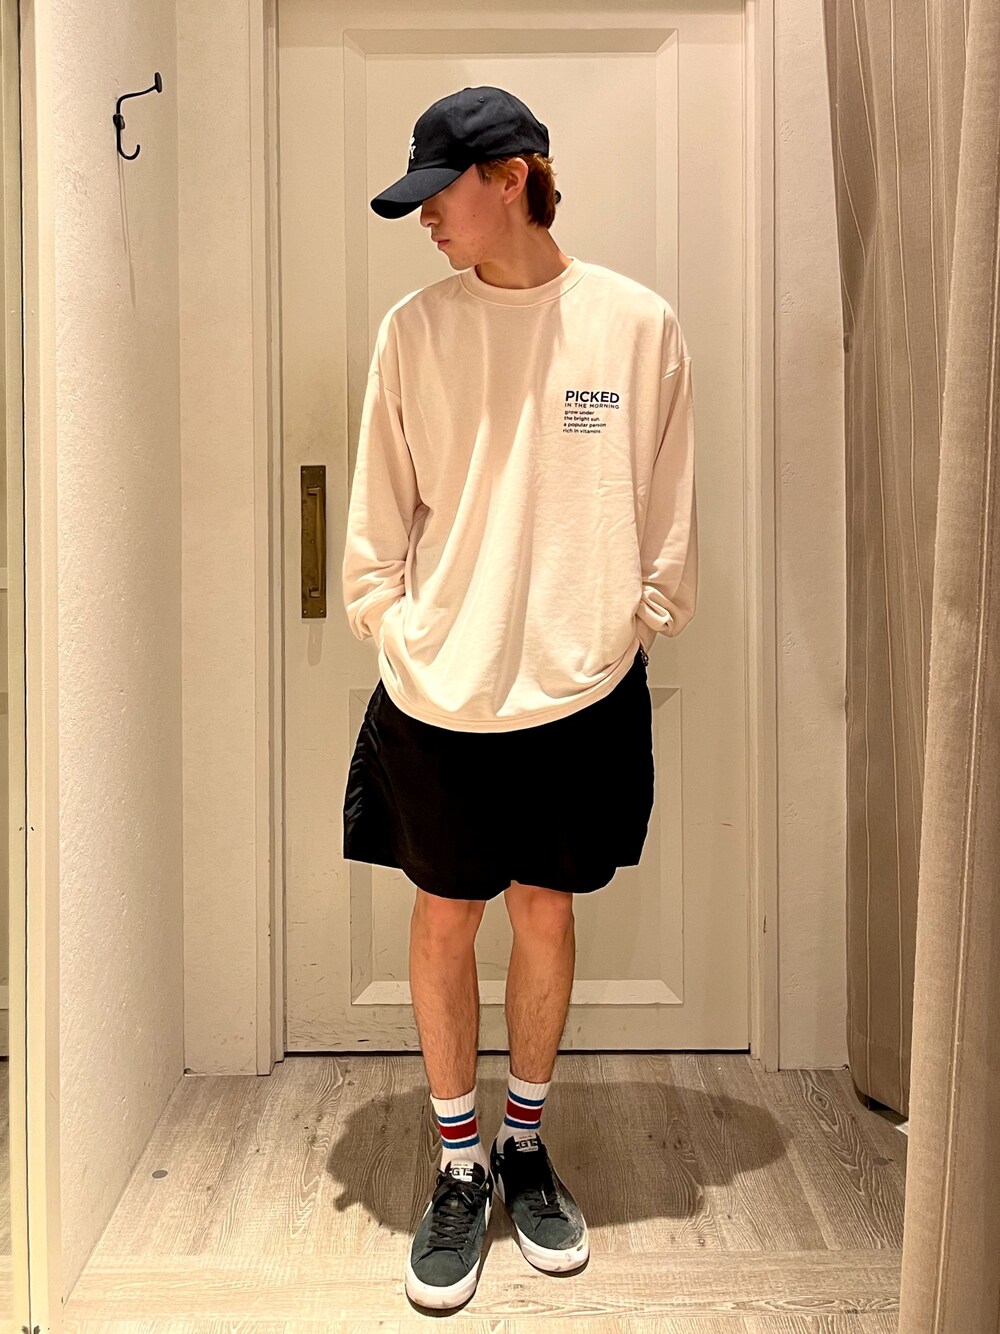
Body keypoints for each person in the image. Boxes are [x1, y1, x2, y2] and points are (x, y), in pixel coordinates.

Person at [341, 85, 698, 1311]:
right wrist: (395, 623)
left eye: (438, 193)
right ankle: (458, 1163)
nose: (424, 218)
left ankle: (526, 1147)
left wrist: (633, 620)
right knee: (445, 914)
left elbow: (668, 505)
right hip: (439, 688)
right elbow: (376, 517)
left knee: (545, 908)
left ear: (512, 178)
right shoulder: (414, 331)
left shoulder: (634, 325)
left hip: (580, 690)